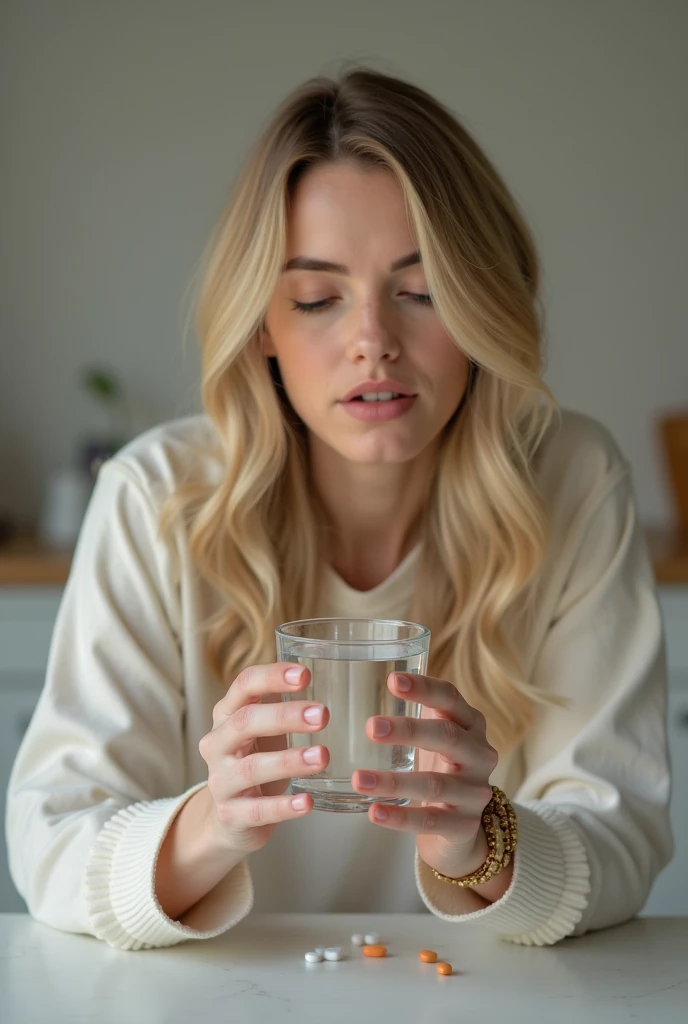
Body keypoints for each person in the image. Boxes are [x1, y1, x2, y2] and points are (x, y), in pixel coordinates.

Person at [5, 66, 672, 952]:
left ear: (484, 303)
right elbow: (50, 841)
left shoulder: (572, 481)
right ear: (261, 330)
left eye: (423, 288)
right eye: (317, 299)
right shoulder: (156, 496)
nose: (373, 343)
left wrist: (480, 843)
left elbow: (622, 830)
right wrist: (213, 825)